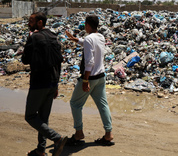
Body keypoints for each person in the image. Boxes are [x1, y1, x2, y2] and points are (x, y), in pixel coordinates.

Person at [22, 12, 67, 156]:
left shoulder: (34, 37)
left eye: (31, 21)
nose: (29, 23)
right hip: (52, 82)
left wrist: (29, 43)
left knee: (30, 116)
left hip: (39, 83)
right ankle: (41, 150)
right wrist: (56, 85)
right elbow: (58, 62)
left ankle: (57, 138)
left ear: (40, 23)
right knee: (43, 118)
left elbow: (24, 60)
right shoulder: (54, 37)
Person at [65, 14, 114, 146]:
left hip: (90, 77)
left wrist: (85, 81)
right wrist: (76, 40)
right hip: (101, 77)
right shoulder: (101, 37)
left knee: (75, 103)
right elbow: (90, 44)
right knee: (103, 105)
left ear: (87, 25)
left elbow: (89, 62)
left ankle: (79, 133)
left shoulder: (88, 39)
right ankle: (108, 134)